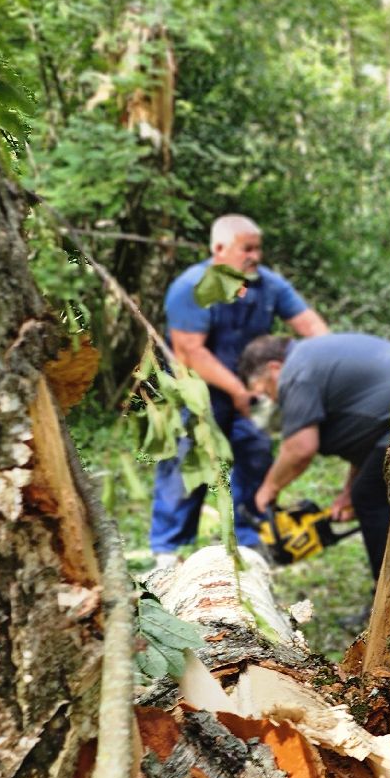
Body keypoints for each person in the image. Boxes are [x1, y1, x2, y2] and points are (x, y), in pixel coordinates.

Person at [150, 214, 328, 564]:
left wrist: (333, 355)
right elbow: (190, 351)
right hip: (198, 392)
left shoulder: (268, 285)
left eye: (258, 248)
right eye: (247, 248)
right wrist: (235, 390)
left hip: (250, 390)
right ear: (219, 249)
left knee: (256, 452)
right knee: (188, 460)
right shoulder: (191, 287)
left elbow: (307, 322)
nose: (255, 256)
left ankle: (251, 543)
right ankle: (166, 552)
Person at [238, 332, 390, 584]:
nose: (272, 399)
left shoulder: (296, 372)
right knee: (364, 494)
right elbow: (365, 436)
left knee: (370, 498)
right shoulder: (309, 358)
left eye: (266, 390)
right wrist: (348, 491)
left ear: (274, 367)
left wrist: (268, 489)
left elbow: (300, 448)